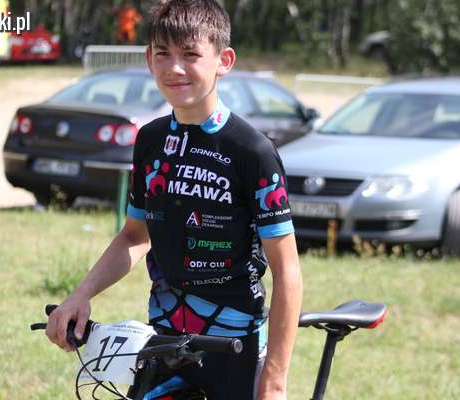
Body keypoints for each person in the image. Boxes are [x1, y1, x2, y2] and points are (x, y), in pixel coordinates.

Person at [46, 1, 303, 399]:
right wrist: (81, 295)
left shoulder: (252, 152)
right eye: (163, 54)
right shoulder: (150, 140)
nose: (175, 68)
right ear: (149, 60)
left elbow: (287, 273)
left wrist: (274, 378)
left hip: (233, 347)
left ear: (224, 61)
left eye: (190, 55)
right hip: (164, 341)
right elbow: (135, 236)